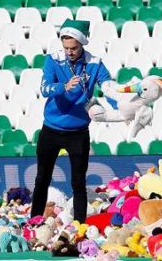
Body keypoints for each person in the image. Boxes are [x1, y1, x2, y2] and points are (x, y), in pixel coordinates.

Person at [30, 19, 112, 223]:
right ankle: (35, 221)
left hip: (78, 132)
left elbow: (108, 86)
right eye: (66, 47)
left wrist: (122, 103)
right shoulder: (53, 59)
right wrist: (63, 87)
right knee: (42, 179)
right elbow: (45, 88)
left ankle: (80, 226)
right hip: (51, 129)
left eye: (73, 48)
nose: (69, 52)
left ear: (82, 44)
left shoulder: (95, 63)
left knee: (78, 182)